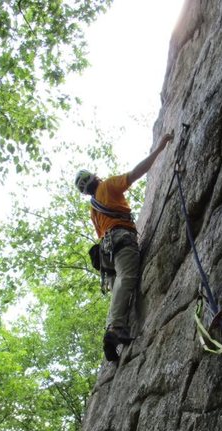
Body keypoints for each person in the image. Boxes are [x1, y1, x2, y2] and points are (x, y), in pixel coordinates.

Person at [75, 132, 173, 362]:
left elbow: (102, 233)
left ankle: (116, 331)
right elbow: (135, 173)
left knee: (120, 285)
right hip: (120, 240)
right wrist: (159, 149)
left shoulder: (93, 209)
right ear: (95, 177)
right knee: (127, 278)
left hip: (106, 252)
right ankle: (114, 330)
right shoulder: (107, 187)